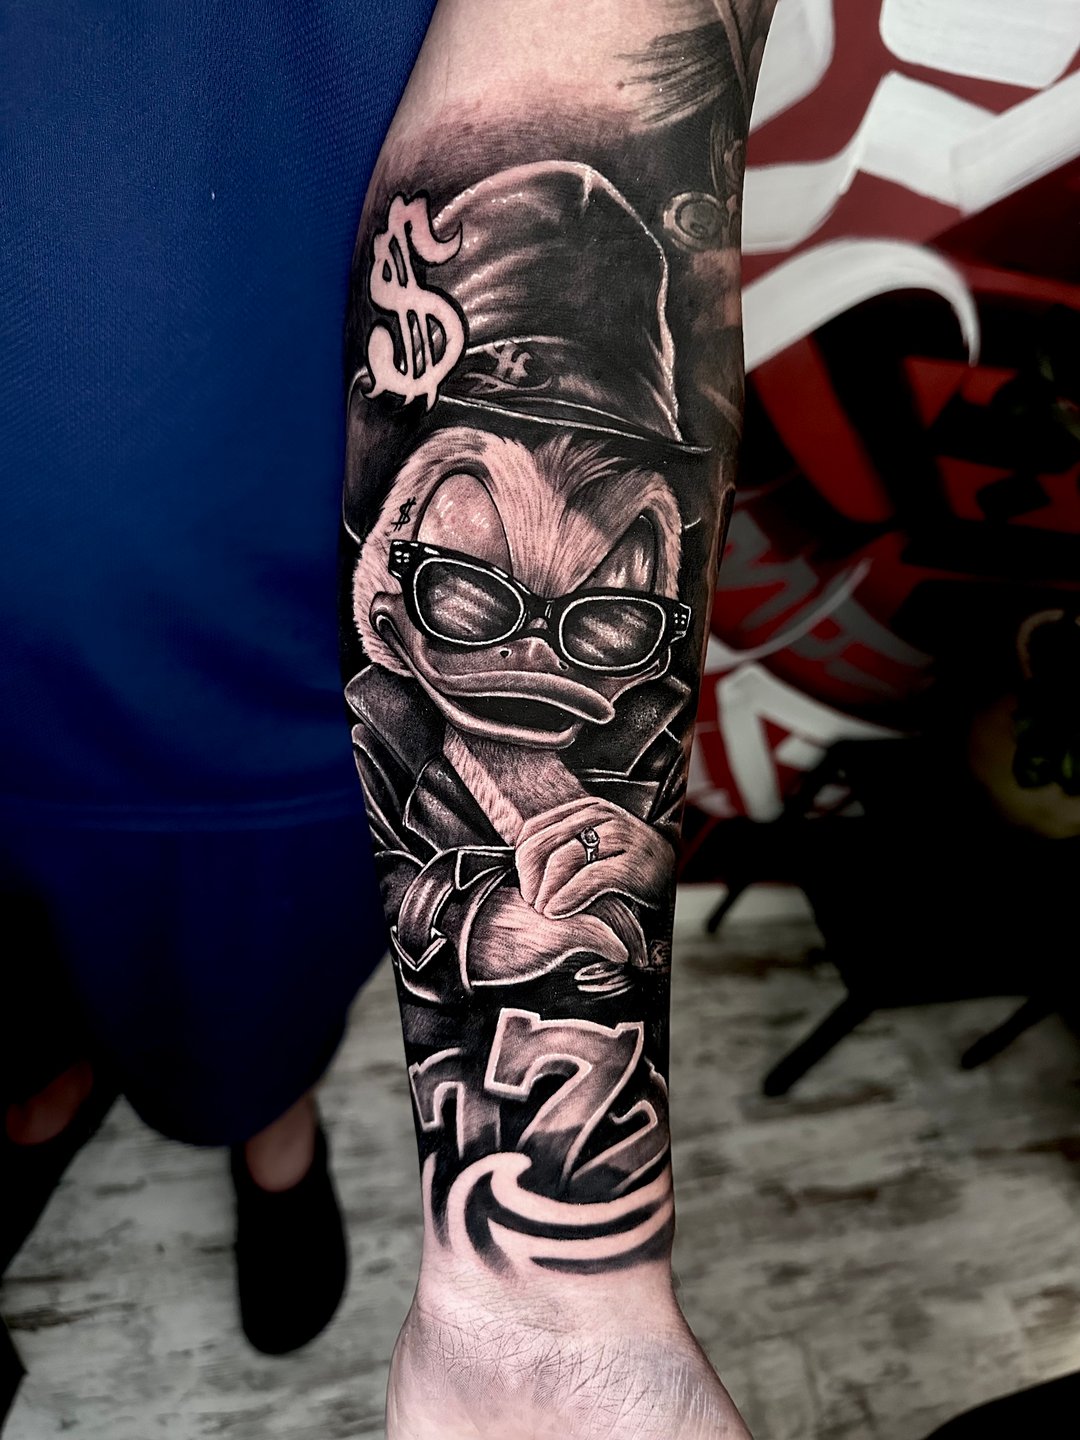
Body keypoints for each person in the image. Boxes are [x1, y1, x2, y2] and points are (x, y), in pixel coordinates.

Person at [339, 2, 775, 1436]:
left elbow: (617, 47)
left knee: (271, 979)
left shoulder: (617, 735)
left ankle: (272, 1155)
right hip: (110, 652)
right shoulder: (404, 697)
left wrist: (545, 1305)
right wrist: (485, 929)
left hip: (290, 768)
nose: (540, 654)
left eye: (601, 620)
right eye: (473, 594)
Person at [1, 0, 440, 1368]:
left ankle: (269, 1127)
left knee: (256, 979)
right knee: (18, 992)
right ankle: (50, 1087)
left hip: (279, 630)